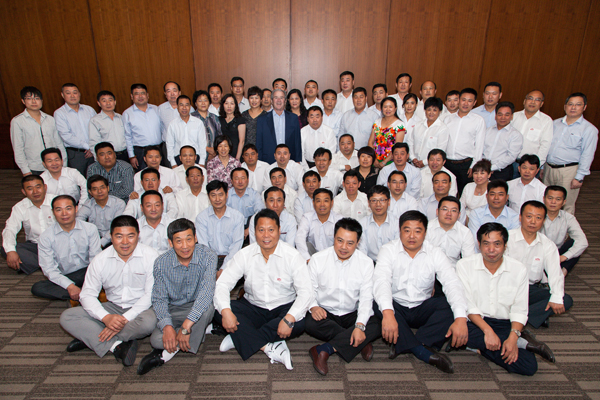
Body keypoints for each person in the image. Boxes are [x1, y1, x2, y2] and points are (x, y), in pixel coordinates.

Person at [214, 209, 312, 369]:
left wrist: (289, 318)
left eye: (271, 230)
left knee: (300, 322)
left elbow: (306, 292)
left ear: (279, 231)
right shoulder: (245, 254)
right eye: (261, 230)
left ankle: (240, 336)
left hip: (283, 307)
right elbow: (223, 284)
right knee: (219, 310)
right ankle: (268, 347)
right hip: (253, 307)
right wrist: (226, 312)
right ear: (255, 232)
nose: (266, 235)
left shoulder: (292, 256)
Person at [373, 211, 468, 373]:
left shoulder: (435, 252)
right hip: (397, 308)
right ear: (400, 231)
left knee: (449, 305)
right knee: (376, 302)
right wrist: (388, 314)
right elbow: (382, 282)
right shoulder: (388, 250)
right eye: (407, 230)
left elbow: (452, 283)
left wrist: (461, 319)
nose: (412, 236)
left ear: (425, 232)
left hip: (422, 307)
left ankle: (405, 341)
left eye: (417, 231)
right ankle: (422, 350)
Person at [59, 216, 159, 367]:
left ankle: (93, 337)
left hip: (142, 309)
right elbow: (87, 295)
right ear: (111, 237)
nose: (125, 242)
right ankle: (116, 345)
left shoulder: (151, 256)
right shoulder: (100, 260)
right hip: (113, 308)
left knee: (149, 323)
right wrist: (105, 318)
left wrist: (124, 319)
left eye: (130, 236)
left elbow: (150, 295)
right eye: (119, 236)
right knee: (68, 317)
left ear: (138, 236)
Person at [456, 222, 551, 376]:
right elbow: (468, 305)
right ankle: (522, 343)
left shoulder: (518, 269)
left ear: (505, 246)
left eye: (497, 244)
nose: (491, 249)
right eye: (486, 244)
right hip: (475, 322)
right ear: (479, 245)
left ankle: (482, 346)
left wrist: (512, 337)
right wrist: (487, 331)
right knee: (453, 330)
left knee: (529, 366)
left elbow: (520, 309)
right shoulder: (464, 265)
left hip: (503, 324)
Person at [137, 218, 217, 375]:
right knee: (156, 340)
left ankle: (165, 355)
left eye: (189, 239)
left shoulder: (208, 256)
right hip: (173, 308)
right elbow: (159, 299)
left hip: (197, 306)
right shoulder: (161, 263)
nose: (185, 246)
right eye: (179, 241)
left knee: (208, 309)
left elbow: (206, 293)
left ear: (195, 238)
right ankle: (200, 331)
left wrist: (186, 327)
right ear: (170, 243)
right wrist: (167, 326)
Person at [306, 218, 380, 375]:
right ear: (334, 238)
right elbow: (308, 290)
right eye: (340, 241)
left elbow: (366, 298)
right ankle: (360, 341)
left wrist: (359, 325)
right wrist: (313, 306)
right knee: (308, 322)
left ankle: (324, 349)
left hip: (352, 313)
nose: (344, 247)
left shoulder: (366, 263)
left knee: (378, 322)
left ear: (358, 243)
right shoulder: (318, 259)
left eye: (350, 243)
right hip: (325, 313)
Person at [506, 201, 573, 329]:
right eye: (529, 216)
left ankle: (514, 318)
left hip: (529, 290)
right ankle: (531, 316)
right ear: (520, 217)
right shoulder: (507, 239)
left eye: (538, 218)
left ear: (543, 221)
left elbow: (555, 274)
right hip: (506, 288)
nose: (533, 221)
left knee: (565, 300)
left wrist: (556, 297)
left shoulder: (547, 244)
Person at [32, 195, 101, 300]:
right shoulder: (46, 237)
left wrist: (94, 280)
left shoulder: (90, 229)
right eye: (59, 210)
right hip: (66, 276)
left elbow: (95, 259)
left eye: (68, 208)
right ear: (53, 212)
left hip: (88, 271)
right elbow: (49, 269)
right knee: (38, 288)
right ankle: (86, 294)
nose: (64, 213)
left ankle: (82, 294)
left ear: (76, 209)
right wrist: (70, 286)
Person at [544, 92, 598, 214]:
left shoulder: (589, 129)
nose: (573, 107)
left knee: (566, 205)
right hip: (549, 168)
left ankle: (565, 227)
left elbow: (588, 154)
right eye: (570, 104)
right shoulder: (555, 123)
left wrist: (579, 177)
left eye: (578, 104)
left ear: (584, 107)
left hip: (569, 171)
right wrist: (543, 167)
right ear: (565, 106)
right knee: (547, 202)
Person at [1, 175, 54, 274]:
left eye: (38, 187)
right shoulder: (20, 207)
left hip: (59, 245)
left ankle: (38, 264)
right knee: (7, 249)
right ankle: (49, 263)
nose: (35, 192)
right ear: (24, 192)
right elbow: (10, 229)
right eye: (30, 189)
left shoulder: (57, 202)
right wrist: (11, 251)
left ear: (45, 187)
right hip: (36, 246)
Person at [10, 86, 66, 176]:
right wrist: (25, 170)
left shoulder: (50, 119)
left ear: (41, 101)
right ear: (23, 101)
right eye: (29, 99)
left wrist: (64, 164)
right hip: (34, 167)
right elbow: (18, 148)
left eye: (37, 98)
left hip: (54, 166)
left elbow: (59, 143)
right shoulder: (17, 121)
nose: (34, 101)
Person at [443, 88, 486, 195]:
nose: (466, 103)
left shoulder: (478, 120)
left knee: (464, 194)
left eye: (470, 101)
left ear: (474, 103)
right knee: (446, 193)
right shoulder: (448, 119)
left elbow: (479, 145)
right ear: (459, 100)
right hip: (447, 163)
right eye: (463, 100)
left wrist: (474, 165)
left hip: (465, 165)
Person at [195, 180, 244, 271]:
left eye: (220, 195)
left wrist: (223, 269)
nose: (217, 199)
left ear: (226, 194)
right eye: (213, 195)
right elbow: (204, 247)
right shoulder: (201, 218)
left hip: (232, 260)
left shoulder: (237, 217)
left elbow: (236, 247)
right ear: (208, 196)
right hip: (208, 262)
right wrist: (212, 270)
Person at [542, 186, 588, 277]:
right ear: (544, 199)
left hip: (557, 254)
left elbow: (583, 242)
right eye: (550, 198)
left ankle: (562, 274)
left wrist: (564, 257)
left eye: (558, 199)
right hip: (537, 253)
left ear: (564, 202)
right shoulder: (536, 215)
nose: (553, 202)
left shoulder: (568, 218)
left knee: (574, 244)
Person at [54, 83, 97, 176]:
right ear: (62, 95)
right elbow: (66, 136)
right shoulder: (59, 113)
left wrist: (92, 147)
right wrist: (87, 146)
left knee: (96, 178)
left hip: (93, 151)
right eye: (68, 93)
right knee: (78, 180)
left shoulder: (89, 110)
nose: (72, 96)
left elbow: (97, 129)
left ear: (79, 94)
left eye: (75, 92)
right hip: (76, 154)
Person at [511, 90, 553, 177]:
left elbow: (545, 146)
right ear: (524, 101)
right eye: (530, 98)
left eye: (537, 100)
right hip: (510, 164)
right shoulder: (514, 116)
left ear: (541, 104)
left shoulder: (546, 121)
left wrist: (536, 166)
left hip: (530, 168)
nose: (533, 102)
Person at [425, 196, 475, 268]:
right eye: (445, 209)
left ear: (459, 215)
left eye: (453, 210)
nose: (449, 213)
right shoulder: (426, 228)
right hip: (429, 269)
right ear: (437, 211)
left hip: (453, 270)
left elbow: (468, 260)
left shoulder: (465, 232)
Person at [77, 175, 126, 248]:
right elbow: (78, 220)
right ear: (90, 192)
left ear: (108, 188)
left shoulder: (119, 204)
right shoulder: (88, 205)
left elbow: (116, 226)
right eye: (95, 189)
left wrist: (101, 243)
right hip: (94, 239)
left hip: (114, 239)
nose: (99, 191)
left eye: (102, 188)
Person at [122, 83, 163, 170]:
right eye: (136, 94)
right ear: (132, 96)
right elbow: (127, 136)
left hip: (158, 149)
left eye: (142, 93)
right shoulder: (127, 113)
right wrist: (131, 156)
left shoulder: (156, 109)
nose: (140, 96)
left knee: (161, 174)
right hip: (141, 152)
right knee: (144, 176)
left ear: (147, 95)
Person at [256, 89, 302, 164]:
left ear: (285, 101)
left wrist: (297, 160)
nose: (278, 100)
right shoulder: (262, 120)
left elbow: (297, 141)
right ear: (272, 100)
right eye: (276, 97)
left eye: (281, 97)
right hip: (268, 161)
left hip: (289, 161)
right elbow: (259, 144)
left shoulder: (293, 118)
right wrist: (260, 162)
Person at [296, 188, 342, 261]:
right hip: (312, 256)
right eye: (318, 201)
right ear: (313, 203)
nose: (322, 204)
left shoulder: (339, 219)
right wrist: (308, 259)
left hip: (333, 256)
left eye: (326, 201)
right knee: (307, 245)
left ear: (332, 203)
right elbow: (299, 238)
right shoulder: (307, 217)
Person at [482, 102, 523, 181]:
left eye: (507, 115)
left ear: (511, 116)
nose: (503, 117)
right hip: (483, 170)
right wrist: (484, 166)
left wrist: (492, 167)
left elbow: (511, 157)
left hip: (502, 172)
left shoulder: (515, 135)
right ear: (495, 116)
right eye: (500, 114)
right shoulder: (487, 131)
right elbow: (481, 149)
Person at [358, 185, 399, 261]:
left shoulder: (397, 224)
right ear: (368, 203)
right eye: (374, 200)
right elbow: (362, 251)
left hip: (391, 263)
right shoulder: (362, 224)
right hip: (369, 263)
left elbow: (397, 250)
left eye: (382, 200)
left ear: (389, 202)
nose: (378, 204)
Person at [166, 95, 206, 167]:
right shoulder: (172, 124)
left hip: (195, 158)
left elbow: (202, 144)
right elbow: (170, 146)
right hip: (179, 159)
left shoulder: (198, 123)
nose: (184, 108)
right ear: (177, 107)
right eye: (181, 105)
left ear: (190, 107)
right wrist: (173, 164)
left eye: (187, 105)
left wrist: (202, 162)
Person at [408, 97, 449, 168]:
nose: (431, 113)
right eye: (429, 109)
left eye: (435, 110)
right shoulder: (418, 125)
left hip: (430, 166)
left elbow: (440, 150)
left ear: (440, 111)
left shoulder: (442, 128)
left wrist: (424, 162)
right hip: (413, 164)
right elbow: (410, 142)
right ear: (425, 110)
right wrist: (413, 158)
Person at [89, 90, 129, 162]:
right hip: (108, 157)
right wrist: (98, 160)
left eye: (110, 100)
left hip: (125, 155)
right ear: (99, 103)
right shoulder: (95, 120)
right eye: (104, 101)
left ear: (115, 102)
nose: (108, 103)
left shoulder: (121, 118)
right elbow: (94, 143)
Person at [368, 97, 405, 169]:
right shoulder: (377, 122)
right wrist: (374, 159)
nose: (388, 109)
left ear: (395, 108)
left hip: (391, 161)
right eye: (385, 107)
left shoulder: (400, 125)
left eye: (390, 107)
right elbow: (370, 142)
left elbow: (397, 147)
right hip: (375, 161)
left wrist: (384, 162)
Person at [227, 168, 264, 239]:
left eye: (243, 178)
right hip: (231, 228)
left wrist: (249, 229)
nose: (240, 182)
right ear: (231, 181)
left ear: (248, 180)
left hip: (250, 227)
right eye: (237, 178)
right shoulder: (227, 195)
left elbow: (260, 212)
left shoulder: (254, 194)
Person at [158, 82, 194, 148]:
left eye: (174, 90)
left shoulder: (189, 108)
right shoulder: (160, 108)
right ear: (165, 94)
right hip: (168, 145)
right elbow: (159, 127)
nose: (172, 94)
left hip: (186, 144)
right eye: (168, 91)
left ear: (179, 92)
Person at [191, 89, 221, 164]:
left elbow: (219, 136)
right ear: (195, 103)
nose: (203, 103)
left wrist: (214, 151)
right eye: (200, 101)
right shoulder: (191, 118)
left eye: (205, 100)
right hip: (197, 156)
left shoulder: (214, 118)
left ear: (209, 103)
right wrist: (207, 149)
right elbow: (190, 139)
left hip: (214, 156)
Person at [218, 93, 246, 160]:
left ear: (235, 105)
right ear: (223, 105)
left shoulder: (240, 120)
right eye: (226, 103)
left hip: (236, 153)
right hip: (222, 153)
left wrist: (237, 158)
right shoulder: (219, 119)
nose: (229, 106)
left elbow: (242, 141)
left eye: (232, 103)